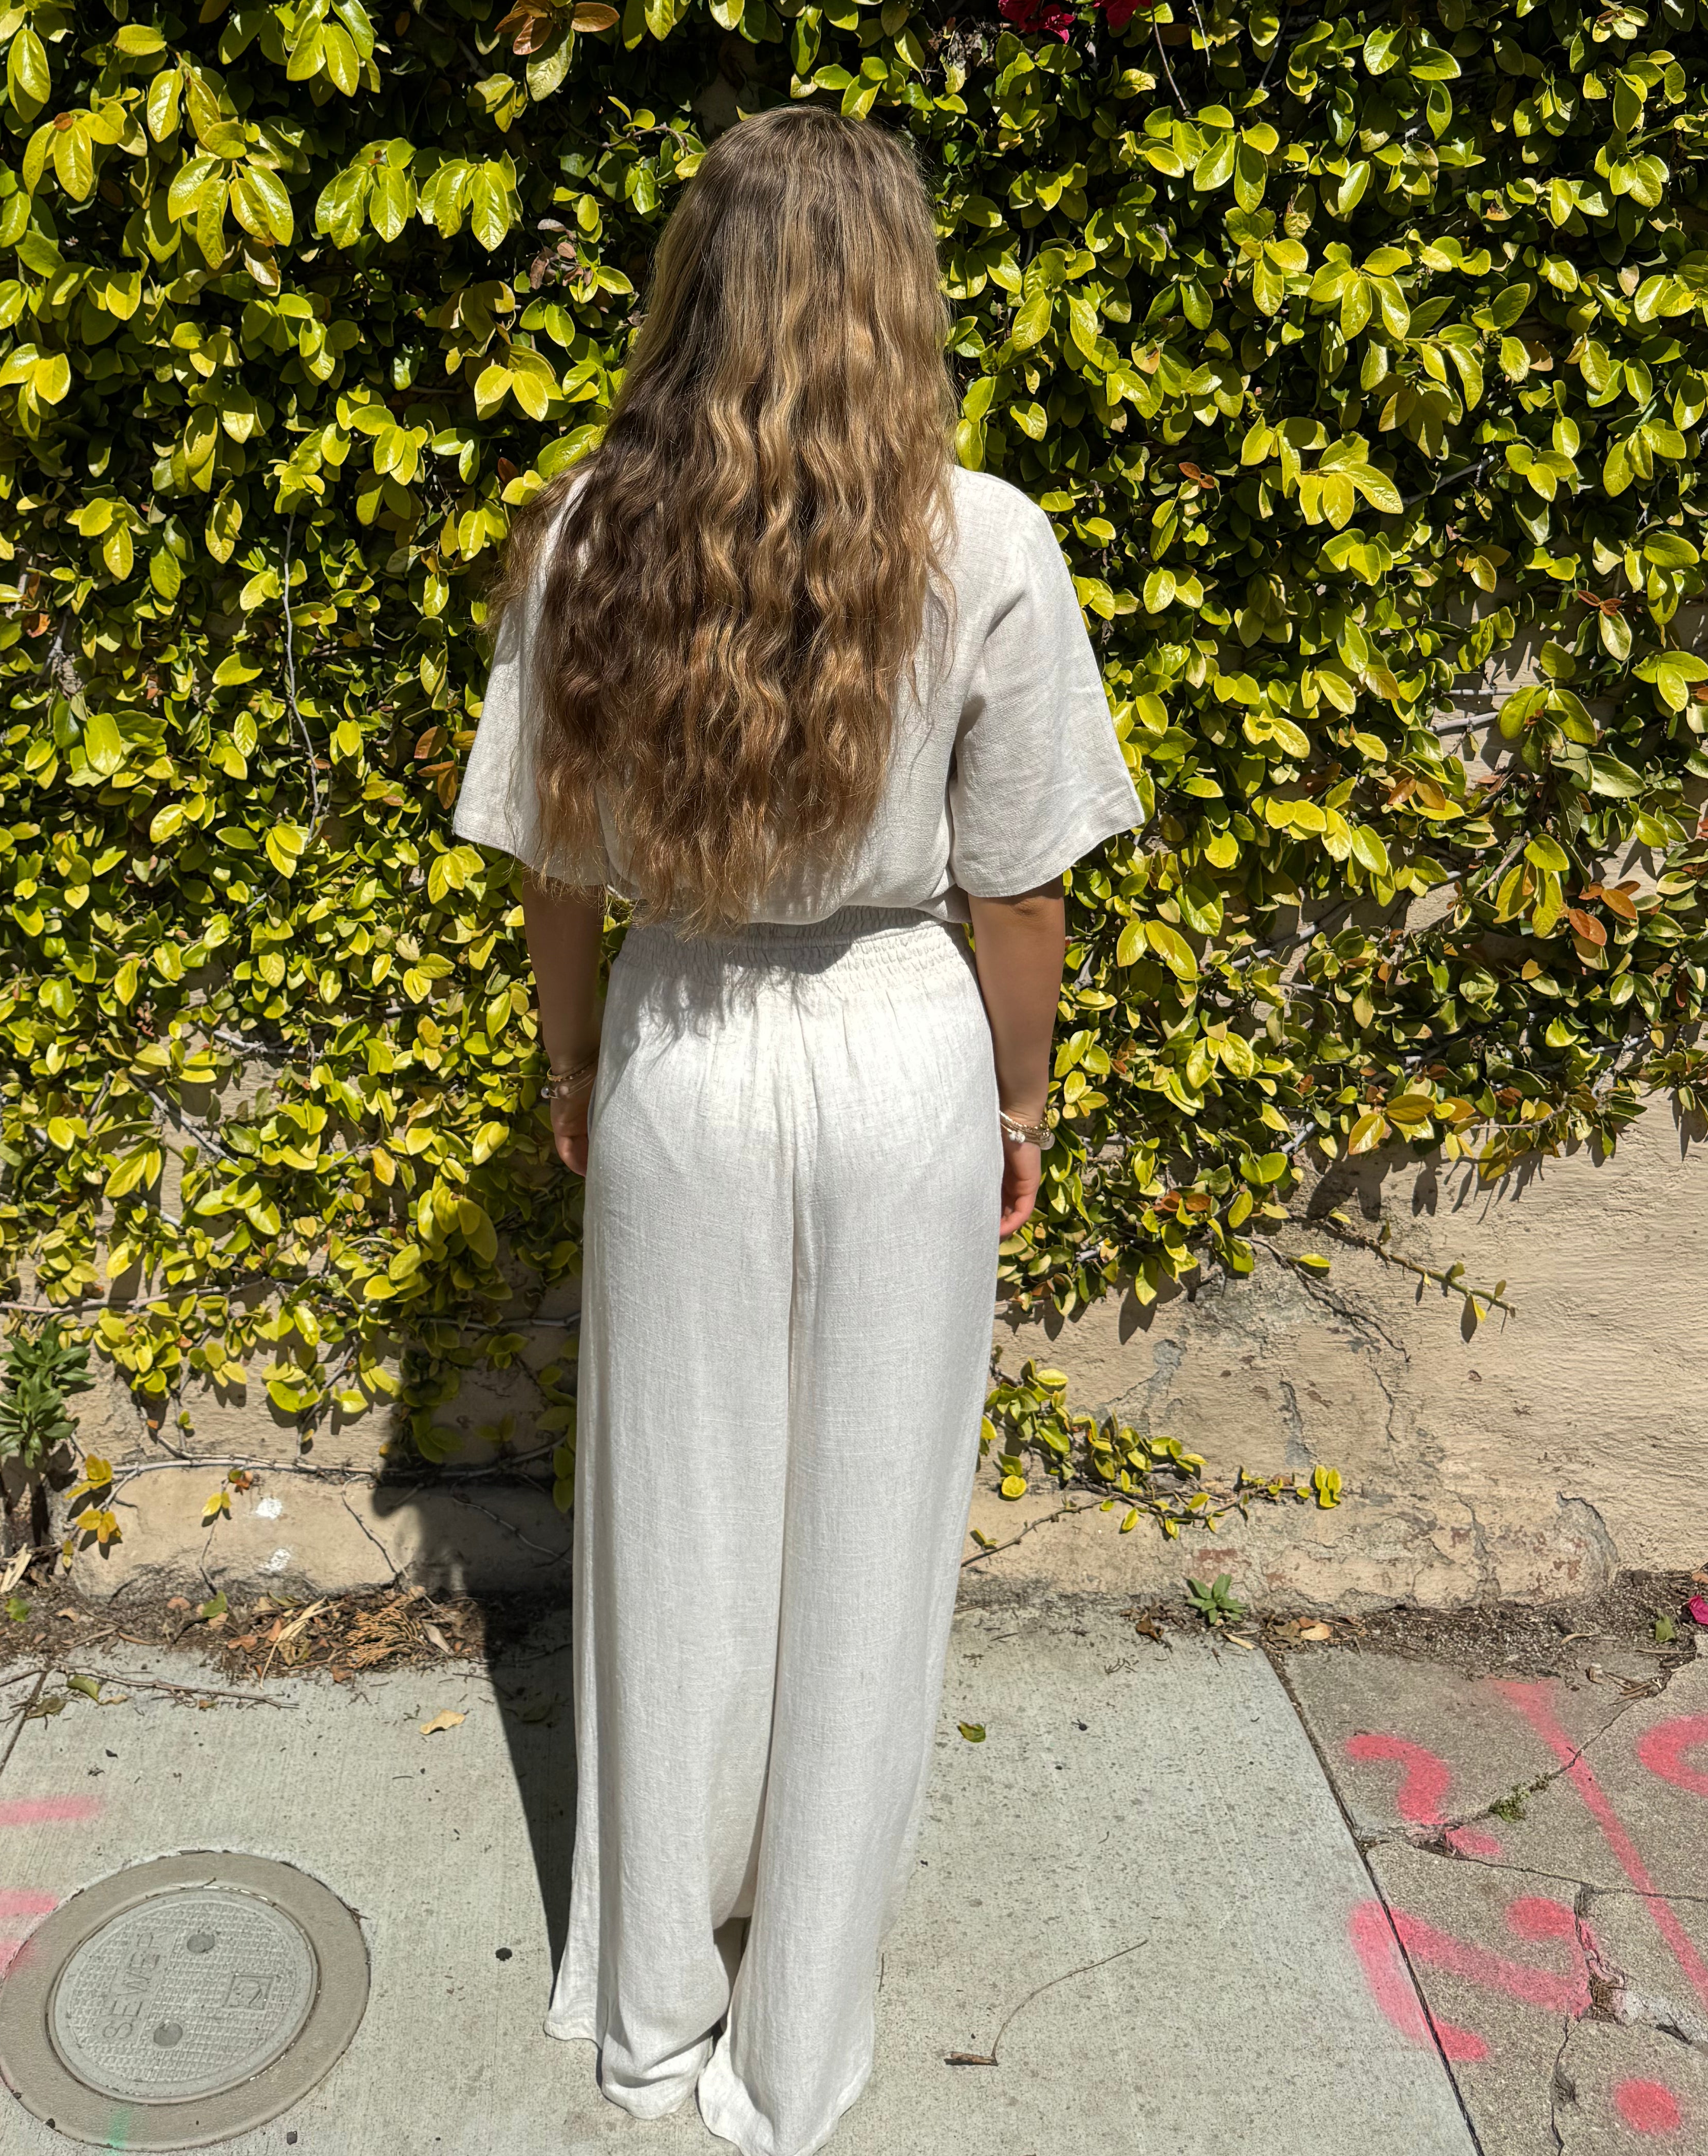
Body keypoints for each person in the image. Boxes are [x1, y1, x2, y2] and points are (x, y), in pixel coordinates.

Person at [451, 104, 1141, 2156]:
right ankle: (794, 2053)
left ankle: (655, 2023)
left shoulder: (591, 527)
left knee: (672, 1538)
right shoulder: (987, 540)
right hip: (902, 1047)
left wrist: (572, 1069)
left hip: (682, 1042)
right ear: (898, 295)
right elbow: (1018, 888)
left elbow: (555, 872)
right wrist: (1023, 1093)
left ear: (695, 289)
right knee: (863, 1544)